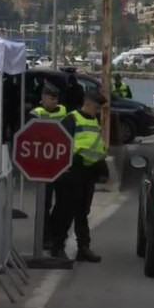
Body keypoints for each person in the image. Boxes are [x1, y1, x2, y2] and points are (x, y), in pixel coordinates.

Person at [49, 90, 109, 262]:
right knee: (65, 211)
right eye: (96, 107)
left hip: (87, 173)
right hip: (71, 171)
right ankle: (57, 247)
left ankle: (83, 247)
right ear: (88, 103)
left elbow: (95, 146)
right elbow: (61, 144)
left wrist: (102, 168)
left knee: (82, 212)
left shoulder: (94, 121)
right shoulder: (71, 119)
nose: (97, 111)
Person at [27, 82, 67, 250]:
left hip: (60, 164)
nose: (54, 101)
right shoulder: (35, 114)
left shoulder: (64, 111)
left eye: (56, 98)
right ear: (43, 98)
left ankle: (55, 234)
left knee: (62, 203)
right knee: (44, 204)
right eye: (51, 98)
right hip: (43, 167)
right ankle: (44, 237)